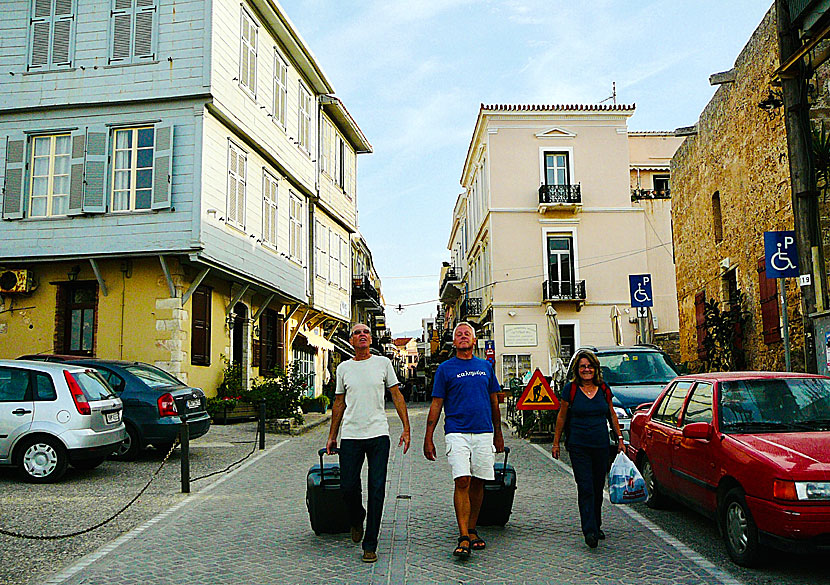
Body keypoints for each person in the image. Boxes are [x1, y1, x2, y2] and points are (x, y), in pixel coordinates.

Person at [326, 323, 411, 563]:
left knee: (377, 489)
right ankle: (356, 518)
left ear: (371, 339)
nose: (362, 335)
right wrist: (333, 435)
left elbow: (396, 394)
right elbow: (339, 403)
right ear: (351, 341)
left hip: (378, 435)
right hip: (351, 435)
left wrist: (406, 428)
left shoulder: (383, 363)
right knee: (348, 487)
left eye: (366, 332)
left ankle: (370, 543)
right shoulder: (344, 368)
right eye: (357, 333)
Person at [424, 322, 504, 559]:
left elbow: (494, 402)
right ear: (454, 341)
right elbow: (437, 404)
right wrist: (428, 438)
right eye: (458, 334)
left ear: (474, 340)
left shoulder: (486, 367)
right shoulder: (445, 369)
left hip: (483, 432)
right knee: (462, 480)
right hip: (456, 432)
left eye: (466, 334)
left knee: (479, 481)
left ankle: (472, 528)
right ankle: (463, 537)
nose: (462, 337)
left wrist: (498, 433)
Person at [551, 349, 624, 548]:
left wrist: (620, 438)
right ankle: (589, 530)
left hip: (600, 445)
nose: (586, 369)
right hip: (578, 445)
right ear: (577, 369)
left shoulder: (603, 389)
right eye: (583, 366)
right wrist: (556, 442)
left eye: (589, 366)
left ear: (595, 368)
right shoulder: (571, 389)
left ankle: (596, 523)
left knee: (598, 486)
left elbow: (611, 414)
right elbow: (561, 417)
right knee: (585, 487)